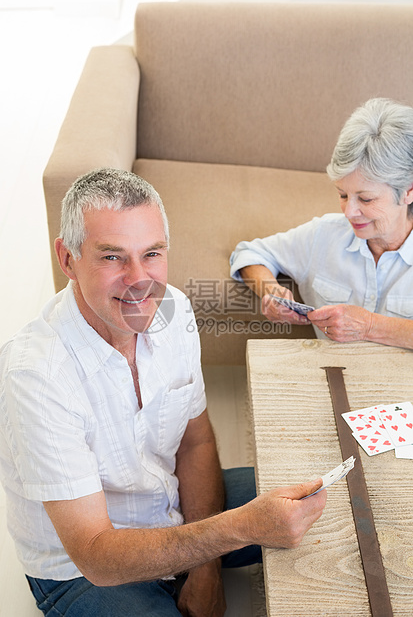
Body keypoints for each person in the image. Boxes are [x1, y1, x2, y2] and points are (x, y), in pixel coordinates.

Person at [0, 168, 327, 617]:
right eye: (112, 257)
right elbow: (95, 553)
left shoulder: (172, 308)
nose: (140, 281)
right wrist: (238, 529)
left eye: (151, 253)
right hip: (83, 569)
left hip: (166, 506)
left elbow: (195, 442)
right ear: (68, 258)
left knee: (318, 506)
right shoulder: (35, 376)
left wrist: (206, 568)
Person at [230, 98, 413, 348]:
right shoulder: (325, 236)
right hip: (332, 381)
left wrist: (369, 326)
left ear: (408, 192)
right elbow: (249, 253)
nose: (349, 212)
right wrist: (271, 292)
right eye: (343, 195)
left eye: (366, 199)